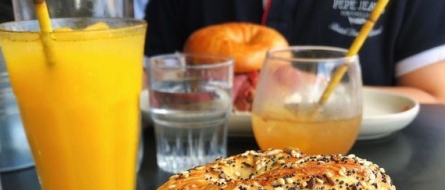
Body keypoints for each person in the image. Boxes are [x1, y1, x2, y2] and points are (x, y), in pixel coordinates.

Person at [143, 0, 445, 104]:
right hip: (196, 166)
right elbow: (141, 84)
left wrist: (310, 90)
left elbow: (435, 96)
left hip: (376, 169)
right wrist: (207, 90)